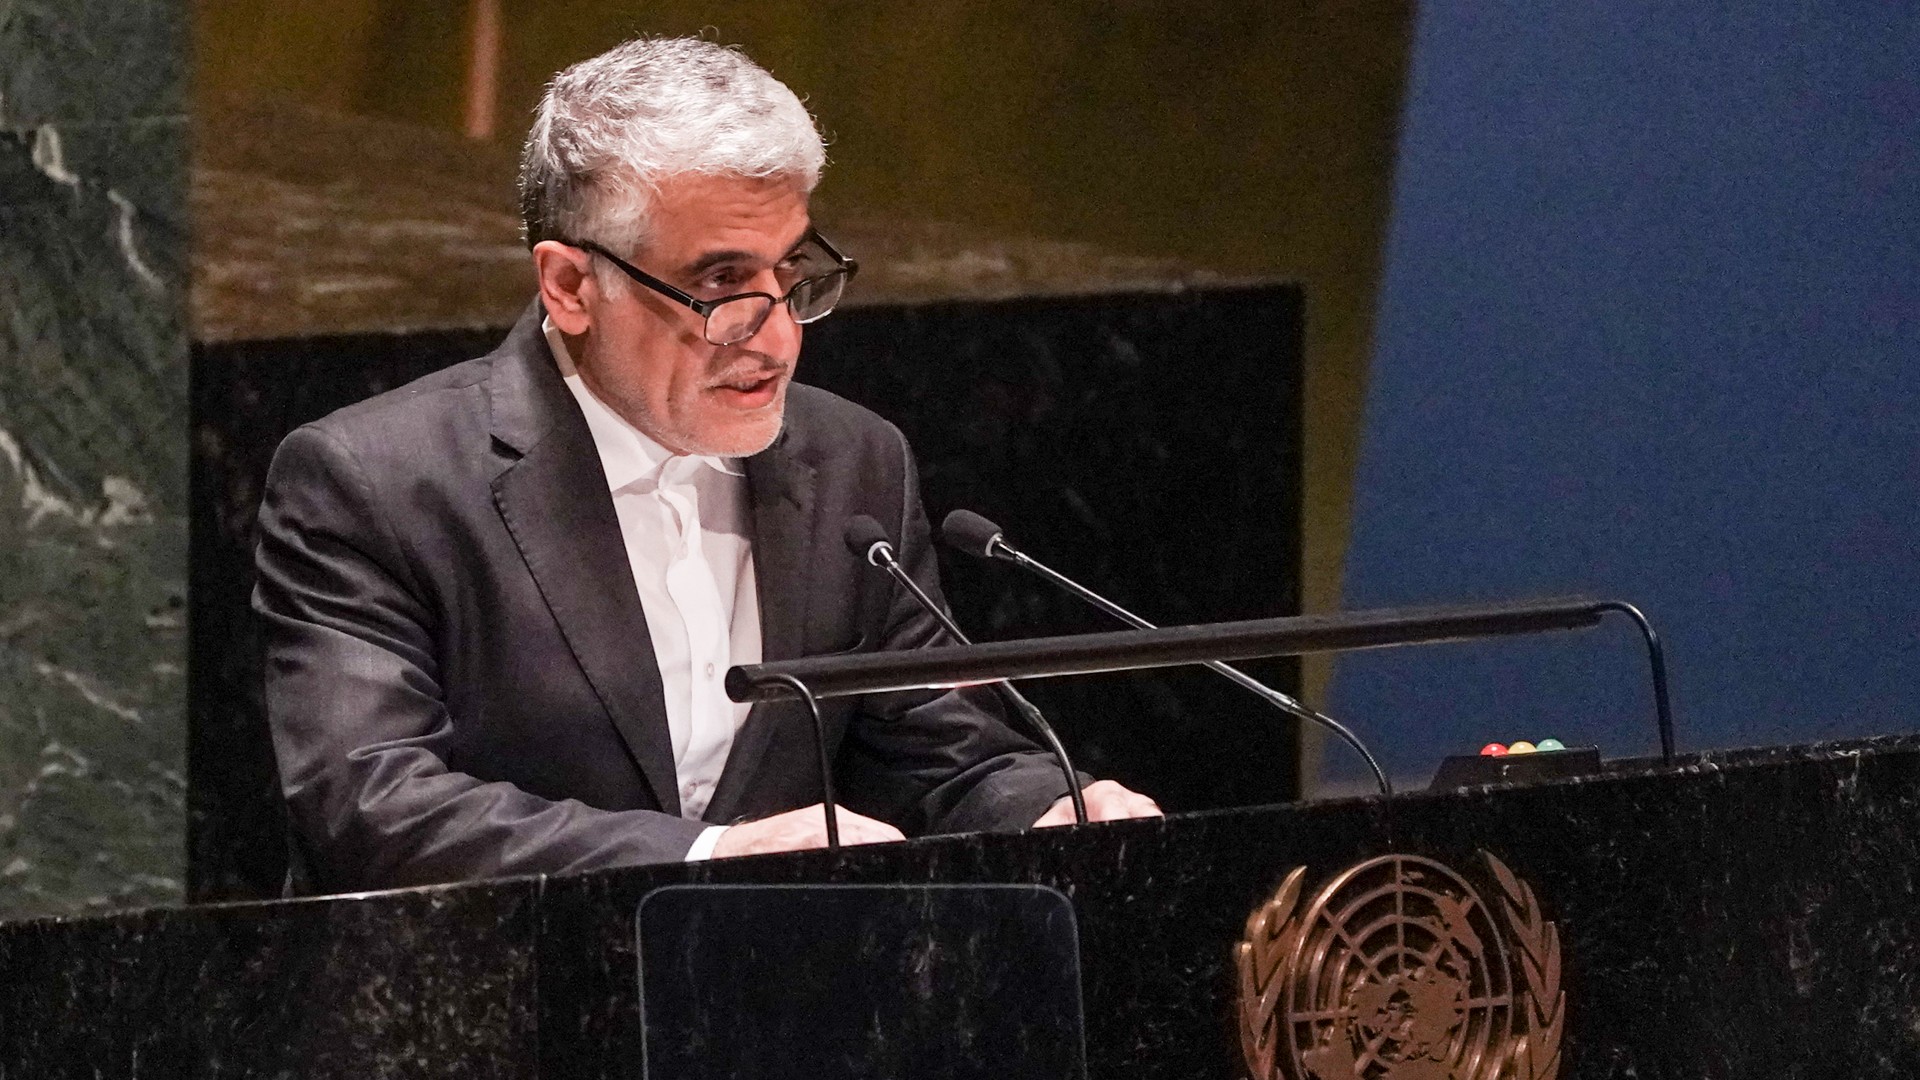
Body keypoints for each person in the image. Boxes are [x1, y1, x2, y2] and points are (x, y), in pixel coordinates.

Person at [253, 37, 1159, 893]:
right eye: (722, 284)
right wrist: (705, 856)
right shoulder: (377, 483)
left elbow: (934, 751)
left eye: (792, 273)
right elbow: (370, 806)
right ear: (570, 286)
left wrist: (1047, 808)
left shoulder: (854, 462)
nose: (776, 335)